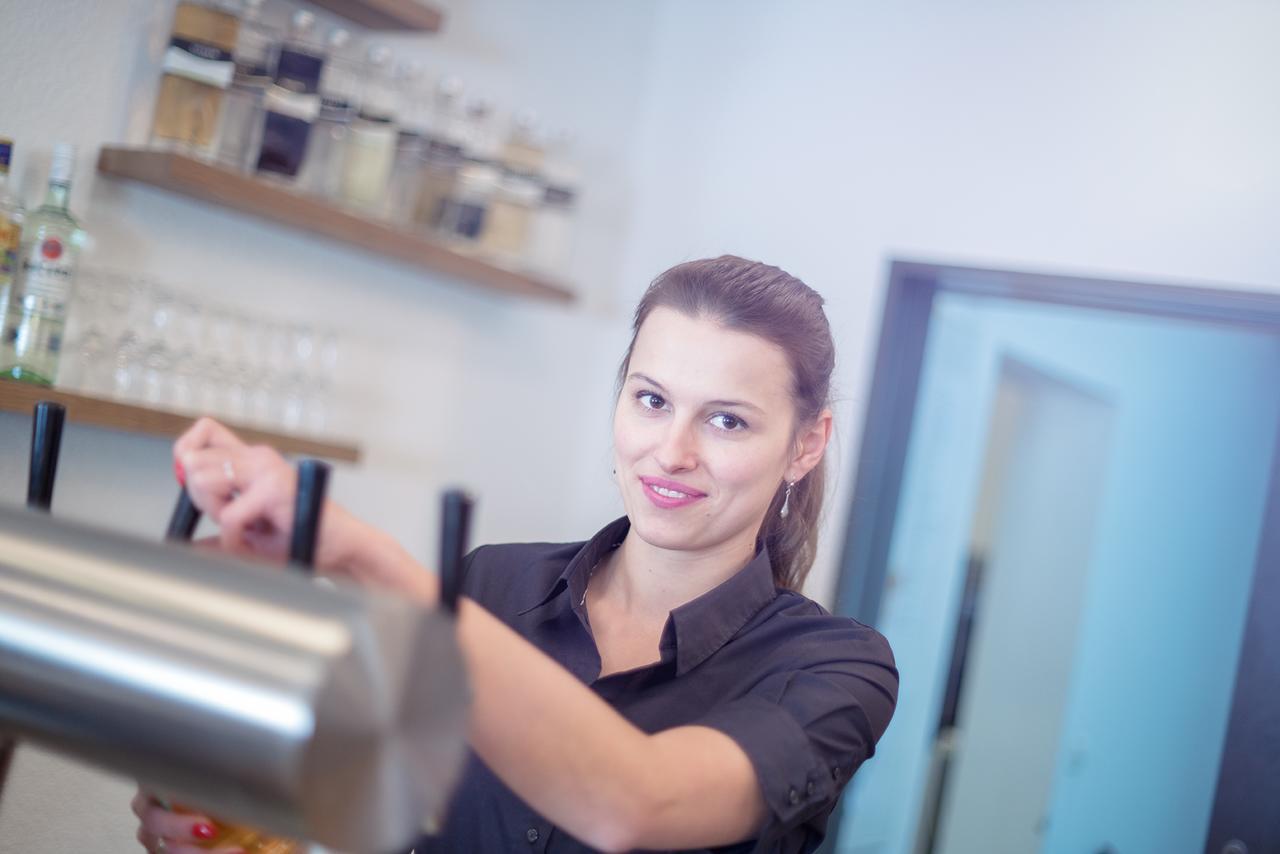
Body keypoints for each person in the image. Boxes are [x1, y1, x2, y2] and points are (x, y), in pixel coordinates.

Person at [132, 255, 898, 854]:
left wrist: (368, 561)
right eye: (652, 399)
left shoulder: (836, 670)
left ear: (806, 445)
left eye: (726, 421)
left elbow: (632, 801)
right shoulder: (491, 582)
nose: (671, 452)